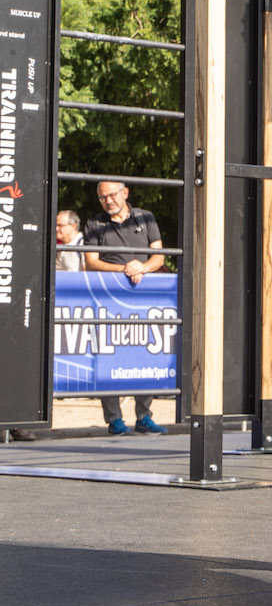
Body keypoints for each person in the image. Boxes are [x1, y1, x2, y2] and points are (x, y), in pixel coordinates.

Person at [83, 181, 168, 436]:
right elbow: (91, 262)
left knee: (147, 354)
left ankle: (144, 416)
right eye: (102, 198)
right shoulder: (94, 224)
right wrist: (125, 269)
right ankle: (114, 420)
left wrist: (142, 267)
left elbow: (159, 257)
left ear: (125, 193)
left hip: (144, 299)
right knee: (109, 356)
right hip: (108, 300)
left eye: (111, 195)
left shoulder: (145, 217)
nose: (108, 201)